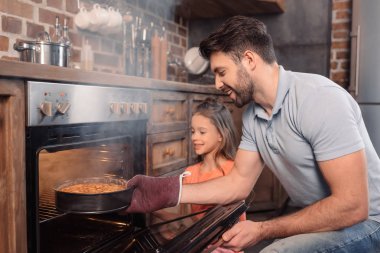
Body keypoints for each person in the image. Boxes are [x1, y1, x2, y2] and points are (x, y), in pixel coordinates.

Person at [126, 15, 380, 252]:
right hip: (331, 219)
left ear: (249, 60)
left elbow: (353, 206)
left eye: (221, 72)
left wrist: (262, 229)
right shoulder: (253, 116)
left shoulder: (319, 99)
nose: (217, 84)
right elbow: (237, 183)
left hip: (369, 223)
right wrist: (167, 191)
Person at [151, 98, 246, 252]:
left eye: (202, 132)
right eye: (193, 131)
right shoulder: (190, 172)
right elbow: (190, 223)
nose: (195, 137)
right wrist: (153, 209)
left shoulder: (233, 171)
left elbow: (236, 224)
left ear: (221, 134)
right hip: (201, 246)